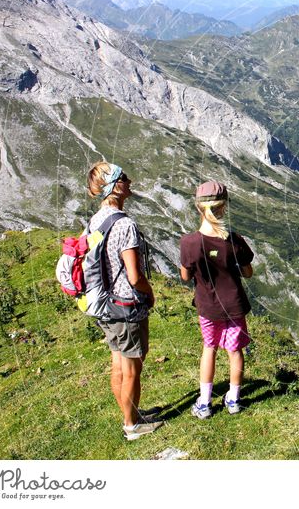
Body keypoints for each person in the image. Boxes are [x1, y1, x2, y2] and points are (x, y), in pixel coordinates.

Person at [86, 161, 163, 440]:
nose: (130, 181)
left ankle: (131, 415)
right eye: (125, 178)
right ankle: (132, 426)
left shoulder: (96, 220)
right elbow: (134, 275)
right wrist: (149, 292)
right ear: (116, 186)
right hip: (126, 307)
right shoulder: (125, 224)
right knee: (131, 368)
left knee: (118, 364)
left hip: (105, 306)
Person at [179, 180, 254, 417]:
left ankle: (205, 402)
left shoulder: (189, 243)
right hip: (234, 305)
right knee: (235, 351)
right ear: (223, 208)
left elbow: (184, 276)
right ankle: (233, 399)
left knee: (209, 348)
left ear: (198, 208)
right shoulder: (235, 240)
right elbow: (248, 272)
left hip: (207, 306)